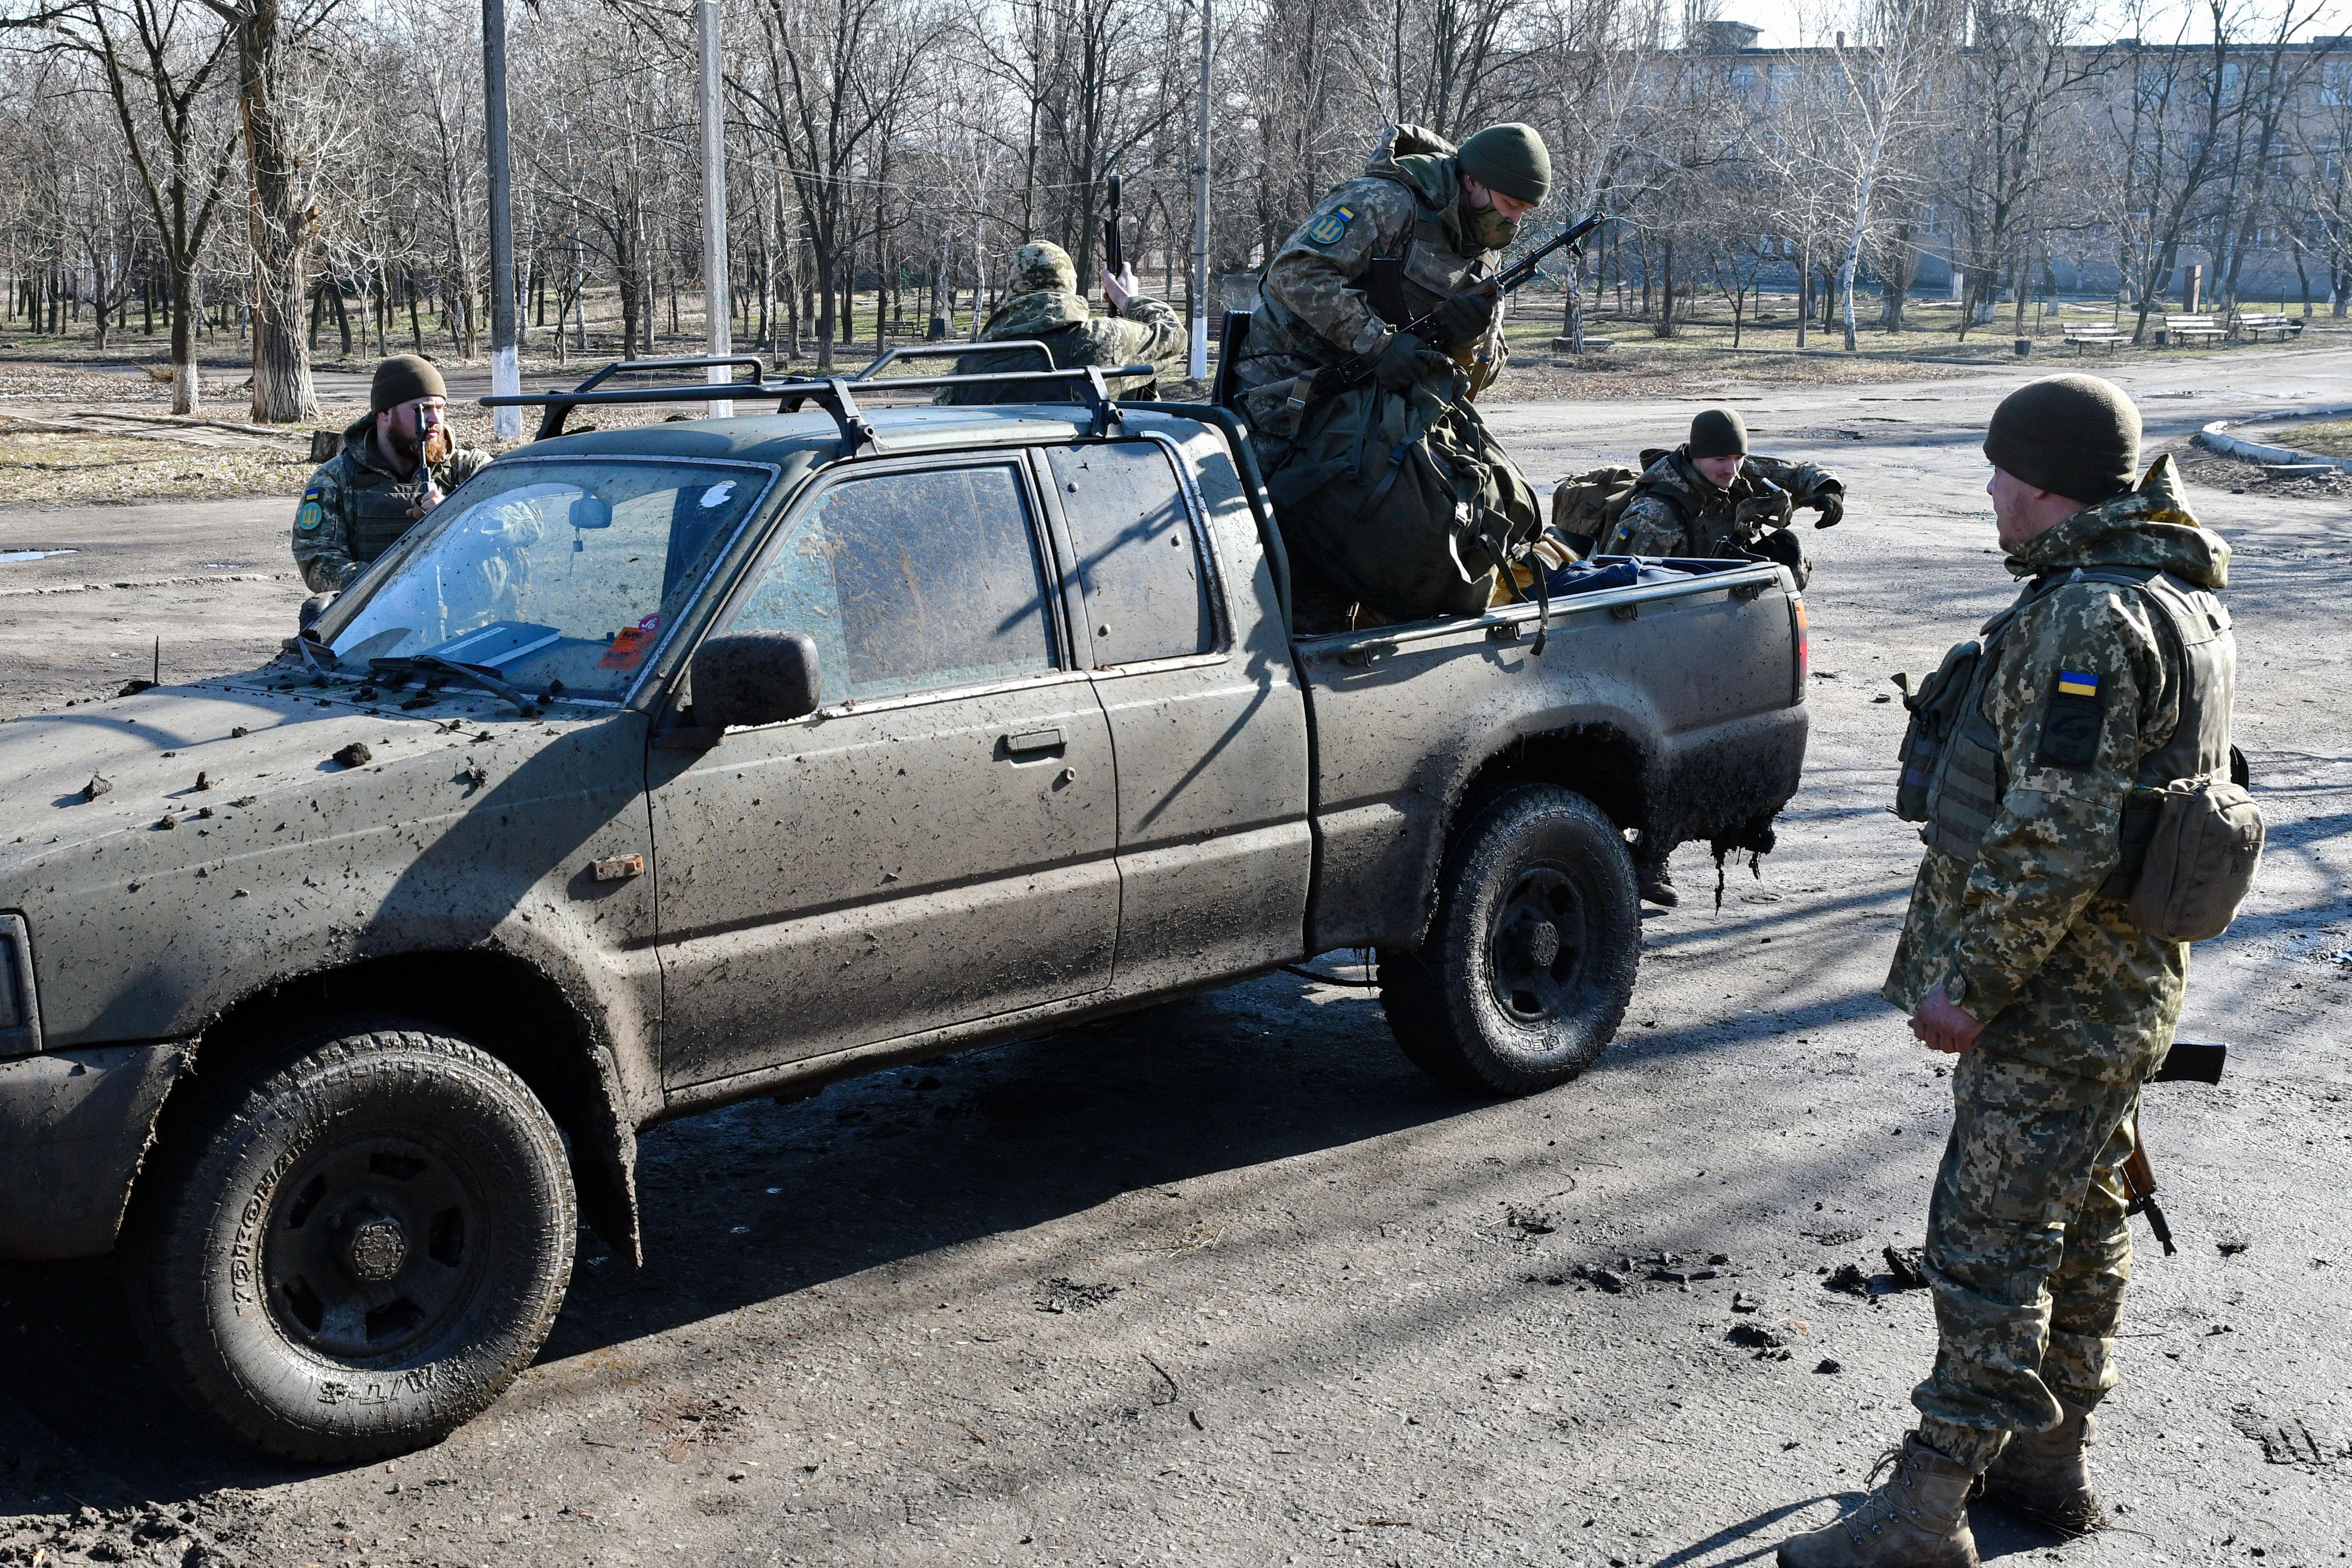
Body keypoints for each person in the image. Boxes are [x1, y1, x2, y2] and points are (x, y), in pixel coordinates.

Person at [1775, 375, 2239, 1567]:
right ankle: (2047, 1466)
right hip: (2128, 989)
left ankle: (1925, 1512)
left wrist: (1966, 986)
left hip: (2051, 1001)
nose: (1987, 494)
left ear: (2040, 484)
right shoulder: (2180, 594)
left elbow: (2056, 833)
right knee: (2084, 1226)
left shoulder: (2085, 615)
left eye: (1997, 473)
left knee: (1986, 1246)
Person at [1228, 122, 1550, 627]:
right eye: (1510, 205)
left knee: (1450, 522)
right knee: (1294, 569)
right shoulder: (1385, 203)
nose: (1514, 222)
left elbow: (1475, 380)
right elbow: (1296, 274)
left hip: (1376, 421)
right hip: (1290, 403)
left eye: (1525, 213)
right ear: (1472, 182)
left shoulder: (1481, 253)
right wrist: (1378, 344)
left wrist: (1470, 339)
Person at [294, 354, 494, 594]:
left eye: (440, 409)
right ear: (384, 413)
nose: (435, 420)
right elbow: (318, 562)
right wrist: (395, 586)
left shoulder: (471, 469)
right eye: (422, 410)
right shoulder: (336, 479)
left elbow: (528, 523)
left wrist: (456, 518)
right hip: (381, 619)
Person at [1598, 407, 1844, 576]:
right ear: (1697, 456)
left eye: (1738, 457)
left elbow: (1797, 473)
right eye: (1721, 459)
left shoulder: (1739, 469)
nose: (1732, 469)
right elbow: (1623, 584)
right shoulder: (1654, 514)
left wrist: (1828, 487)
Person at [934, 241, 1184, 405]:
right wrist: (1129, 300)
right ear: (1069, 287)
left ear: (1012, 290)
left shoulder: (963, 374)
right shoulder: (1098, 342)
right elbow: (1174, 336)